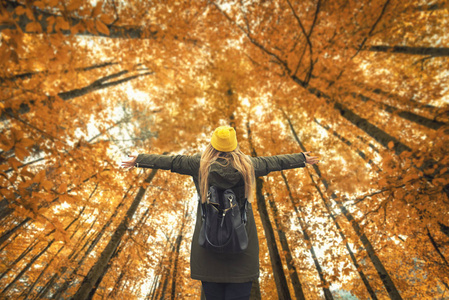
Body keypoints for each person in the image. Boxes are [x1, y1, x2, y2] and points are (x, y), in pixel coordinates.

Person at [121, 126, 319, 300]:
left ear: (212, 145)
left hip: (208, 247)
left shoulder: (199, 165)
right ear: (234, 146)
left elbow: (171, 161)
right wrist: (301, 159)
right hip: (243, 247)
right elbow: (275, 162)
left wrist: (139, 160)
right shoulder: (248, 165)